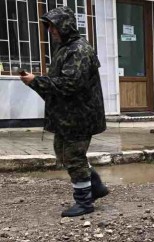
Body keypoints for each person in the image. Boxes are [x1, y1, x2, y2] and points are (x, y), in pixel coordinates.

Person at [20, 6, 109, 217]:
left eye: (54, 27)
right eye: (49, 28)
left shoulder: (78, 50)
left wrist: (36, 81)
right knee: (65, 153)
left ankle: (84, 202)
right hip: (68, 115)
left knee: (73, 156)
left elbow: (69, 84)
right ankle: (95, 186)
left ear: (65, 26)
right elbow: (60, 79)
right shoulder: (65, 47)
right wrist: (37, 82)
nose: (51, 31)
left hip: (79, 116)